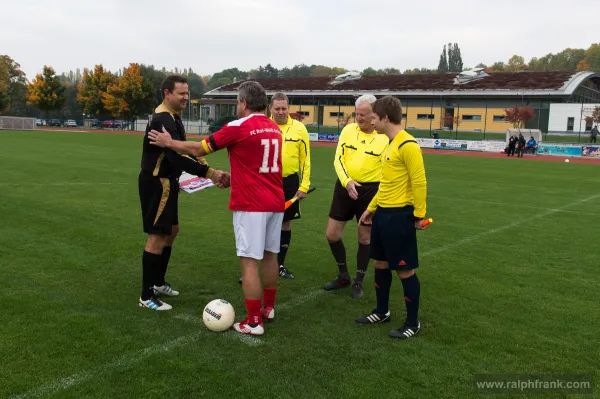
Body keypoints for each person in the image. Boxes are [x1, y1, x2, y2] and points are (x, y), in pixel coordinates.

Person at [148, 81, 285, 336]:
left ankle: (254, 321)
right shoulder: (274, 128)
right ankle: (268, 308)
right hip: (275, 202)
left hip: (251, 204)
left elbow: (198, 148)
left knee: (248, 262)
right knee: (270, 256)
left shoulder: (239, 127)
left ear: (243, 103)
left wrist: (169, 142)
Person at [138, 75, 230, 311]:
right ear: (167, 93)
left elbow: (183, 148)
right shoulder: (161, 120)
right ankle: (146, 295)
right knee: (156, 236)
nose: (186, 98)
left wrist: (204, 163)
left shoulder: (173, 118)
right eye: (181, 93)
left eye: (187, 93)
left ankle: (158, 282)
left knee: (172, 230)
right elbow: (175, 157)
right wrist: (209, 173)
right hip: (158, 183)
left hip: (169, 182)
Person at [355, 96, 428, 340]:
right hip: (383, 214)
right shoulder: (389, 143)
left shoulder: (408, 144)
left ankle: (412, 322)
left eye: (374, 117)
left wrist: (419, 214)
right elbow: (386, 183)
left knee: (405, 271)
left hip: (400, 216)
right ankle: (381, 311)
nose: (372, 121)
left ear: (386, 117)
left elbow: (419, 181)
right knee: (380, 264)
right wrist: (372, 207)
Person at [238, 92, 311, 283]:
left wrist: (304, 185)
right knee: (259, 224)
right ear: (270, 108)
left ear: (289, 108)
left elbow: (305, 159)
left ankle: (279, 265)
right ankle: (252, 268)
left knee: (285, 224)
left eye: (284, 108)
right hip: (265, 182)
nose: (280, 112)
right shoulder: (262, 126)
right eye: (277, 108)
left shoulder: (300, 129)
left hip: (289, 182)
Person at [323, 94, 389, 299]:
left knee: (364, 237)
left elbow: (388, 170)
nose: (358, 118)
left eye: (363, 114)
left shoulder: (384, 138)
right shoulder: (348, 130)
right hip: (344, 187)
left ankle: (359, 281)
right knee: (331, 235)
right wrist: (347, 181)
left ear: (374, 115)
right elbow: (338, 159)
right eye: (356, 114)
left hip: (371, 192)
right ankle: (343, 275)